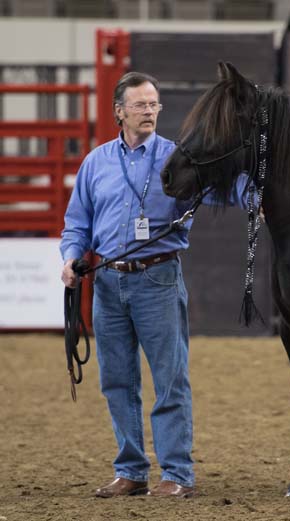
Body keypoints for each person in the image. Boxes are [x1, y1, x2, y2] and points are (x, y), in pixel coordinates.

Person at [60, 71, 249, 499]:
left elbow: (224, 191)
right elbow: (77, 223)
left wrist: (255, 190)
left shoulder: (176, 158)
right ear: (119, 112)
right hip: (107, 282)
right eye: (141, 105)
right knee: (117, 381)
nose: (149, 112)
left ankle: (177, 474)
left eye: (154, 105)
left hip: (157, 278)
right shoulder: (96, 163)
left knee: (170, 379)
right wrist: (70, 258)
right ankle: (131, 470)